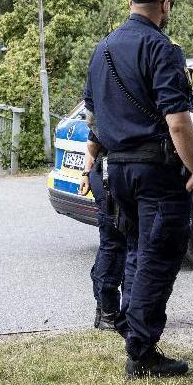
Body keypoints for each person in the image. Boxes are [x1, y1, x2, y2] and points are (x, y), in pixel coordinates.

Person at [84, 0, 193, 379]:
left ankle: (134, 334)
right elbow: (178, 121)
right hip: (156, 172)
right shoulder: (162, 48)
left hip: (117, 170)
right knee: (159, 257)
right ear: (164, 5)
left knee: (138, 251)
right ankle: (141, 351)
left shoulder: (101, 50)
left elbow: (92, 115)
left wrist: (93, 162)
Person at [78, 134, 126, 331]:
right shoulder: (116, 102)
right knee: (114, 245)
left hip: (103, 171)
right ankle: (108, 312)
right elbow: (93, 142)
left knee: (113, 244)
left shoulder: (102, 102)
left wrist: (86, 172)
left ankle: (105, 310)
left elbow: (93, 140)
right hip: (111, 173)